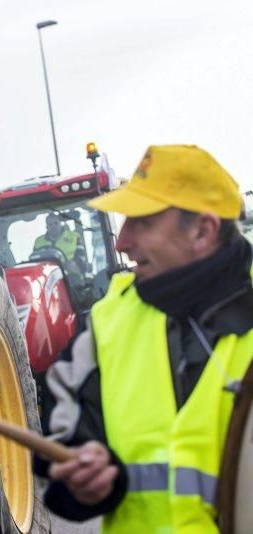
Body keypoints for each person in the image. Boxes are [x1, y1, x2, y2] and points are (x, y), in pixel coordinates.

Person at [39, 145, 253, 532]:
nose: (122, 242)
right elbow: (61, 433)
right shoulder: (109, 319)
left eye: (142, 223)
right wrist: (81, 482)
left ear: (203, 231)